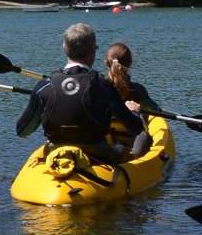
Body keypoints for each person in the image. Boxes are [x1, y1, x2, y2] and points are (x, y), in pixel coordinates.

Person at [16, 23, 150, 165]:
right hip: (98, 154)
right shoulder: (103, 86)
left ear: (64, 48)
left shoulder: (44, 86)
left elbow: (23, 131)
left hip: (55, 152)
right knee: (127, 145)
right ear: (94, 50)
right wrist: (136, 113)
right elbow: (135, 128)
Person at [106, 43, 161, 114]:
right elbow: (156, 111)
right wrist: (140, 108)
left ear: (106, 63)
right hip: (132, 123)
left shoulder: (98, 88)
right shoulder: (138, 90)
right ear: (130, 63)